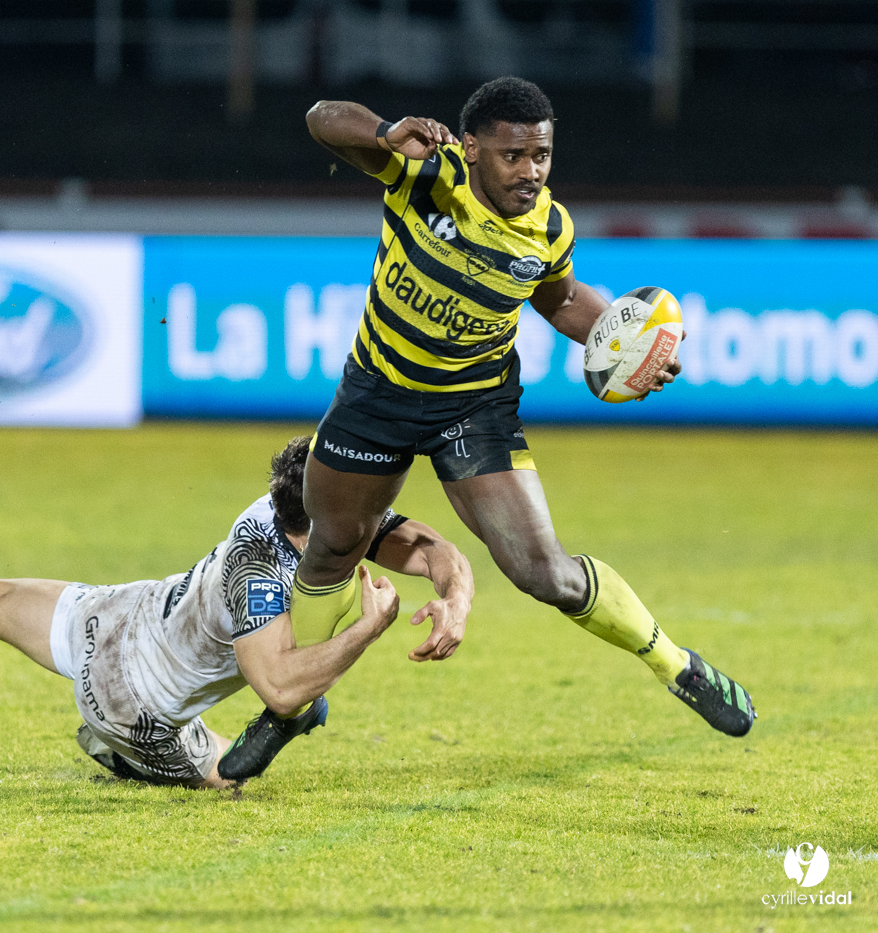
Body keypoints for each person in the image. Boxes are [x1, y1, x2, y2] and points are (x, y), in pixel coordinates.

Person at [292, 76, 754, 737]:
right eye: (515, 156)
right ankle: (293, 703)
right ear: (474, 148)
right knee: (334, 544)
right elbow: (321, 118)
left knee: (546, 573)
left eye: (542, 156)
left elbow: (560, 300)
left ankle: (676, 664)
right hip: (378, 393)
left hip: (473, 407)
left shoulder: (549, 228)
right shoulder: (423, 174)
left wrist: (631, 344)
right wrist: (384, 132)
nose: (531, 172)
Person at [0, 436, 474, 789]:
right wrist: (370, 629)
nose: (373, 511)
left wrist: (454, 594)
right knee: (230, 772)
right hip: (131, 700)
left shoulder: (304, 506)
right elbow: (277, 683)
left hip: (118, 616)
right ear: (317, 510)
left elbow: (433, 548)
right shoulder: (260, 576)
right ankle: (116, 751)